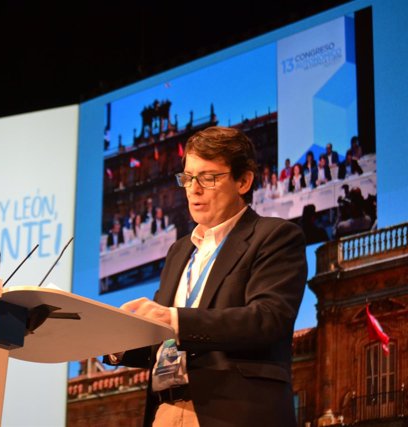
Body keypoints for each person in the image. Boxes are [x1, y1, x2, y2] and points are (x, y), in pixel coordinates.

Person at [106, 126, 307, 427]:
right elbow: (164, 341)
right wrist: (117, 342)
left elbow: (267, 319)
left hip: (234, 412)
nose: (193, 189)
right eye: (187, 178)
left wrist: (173, 320)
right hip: (165, 410)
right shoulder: (179, 250)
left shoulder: (274, 236)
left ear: (243, 181)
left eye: (208, 178)